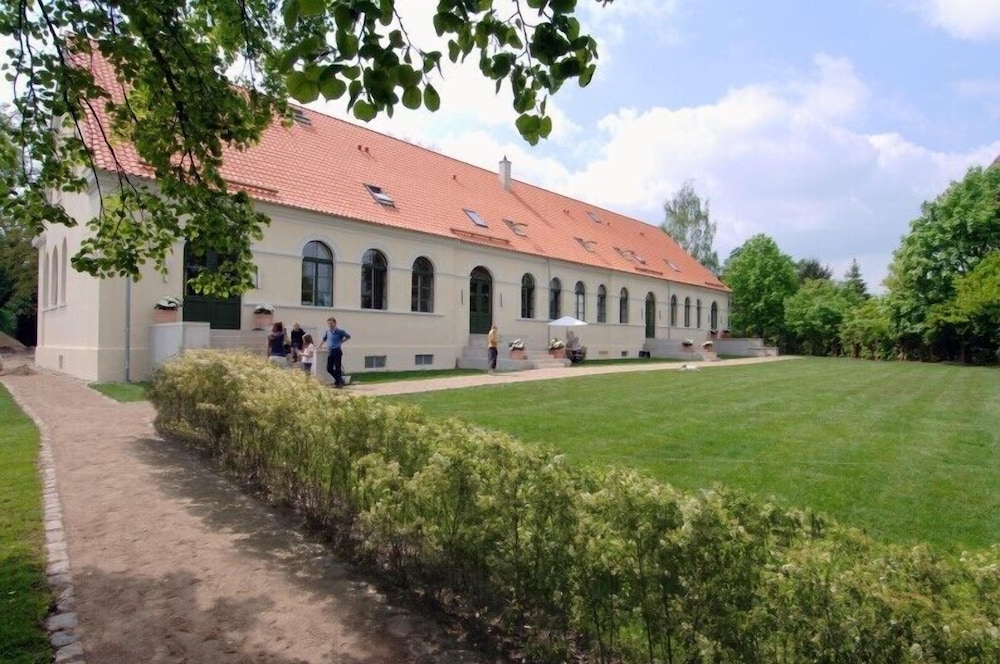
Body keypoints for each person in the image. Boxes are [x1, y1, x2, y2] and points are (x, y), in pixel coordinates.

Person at [322, 317, 351, 388]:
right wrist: (318, 346)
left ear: (335, 323)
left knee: (337, 367)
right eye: (329, 324)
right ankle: (339, 380)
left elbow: (348, 336)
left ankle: (338, 383)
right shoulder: (327, 332)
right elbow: (324, 339)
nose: (330, 325)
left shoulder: (339, 331)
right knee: (329, 368)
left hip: (337, 351)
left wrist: (341, 342)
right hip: (330, 351)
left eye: (331, 323)